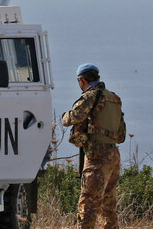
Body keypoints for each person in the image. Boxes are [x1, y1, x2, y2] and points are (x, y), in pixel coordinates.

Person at [61, 64, 125, 229]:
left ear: (81, 80)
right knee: (108, 205)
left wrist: (64, 117)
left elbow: (73, 117)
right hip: (113, 155)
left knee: (88, 204)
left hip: (97, 156)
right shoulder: (114, 98)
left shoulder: (90, 96)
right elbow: (122, 135)